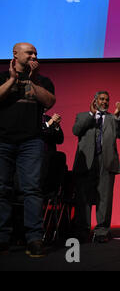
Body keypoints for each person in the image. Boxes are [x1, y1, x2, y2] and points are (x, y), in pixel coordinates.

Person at [0, 42, 55, 257]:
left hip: (31, 141)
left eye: (36, 53)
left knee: (32, 189)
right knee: (2, 189)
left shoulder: (42, 80)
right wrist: (13, 79)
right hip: (3, 140)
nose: (34, 55)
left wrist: (32, 80)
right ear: (14, 54)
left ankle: (34, 238)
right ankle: (3, 238)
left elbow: (49, 102)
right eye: (29, 52)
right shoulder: (3, 77)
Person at [72, 91, 120, 243]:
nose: (104, 102)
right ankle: (83, 230)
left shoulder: (111, 118)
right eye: (101, 99)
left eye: (107, 100)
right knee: (84, 198)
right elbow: (76, 130)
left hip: (106, 161)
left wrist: (117, 116)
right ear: (95, 100)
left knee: (104, 197)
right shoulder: (83, 115)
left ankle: (102, 231)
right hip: (87, 162)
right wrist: (91, 114)